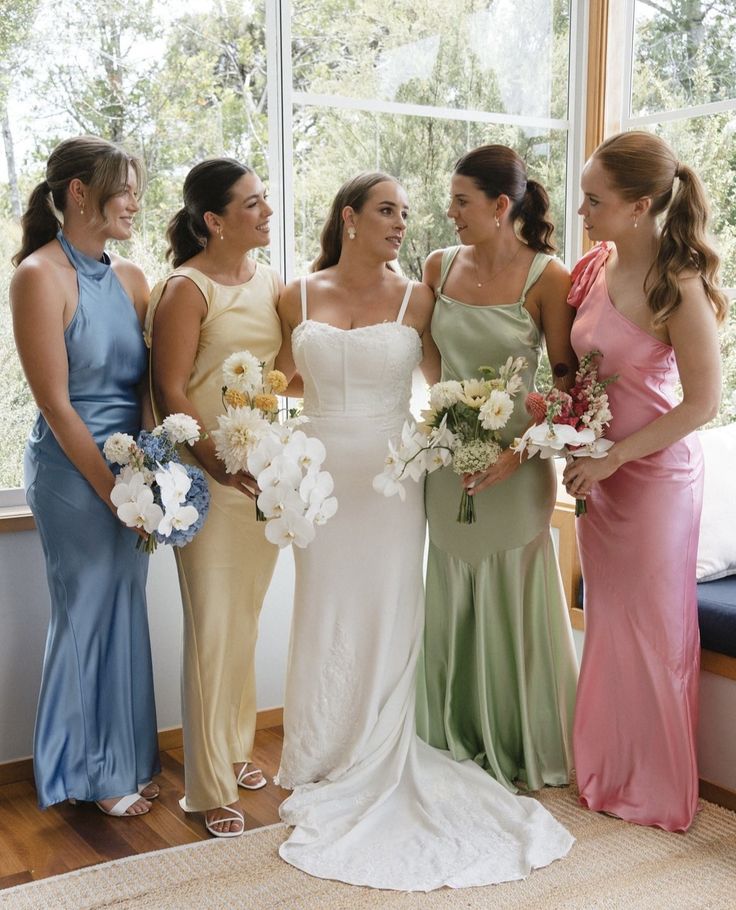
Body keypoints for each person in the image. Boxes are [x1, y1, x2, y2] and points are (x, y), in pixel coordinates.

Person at [274, 171, 574, 891]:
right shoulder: (296, 294)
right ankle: (319, 751)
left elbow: (439, 388)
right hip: (317, 481)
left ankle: (388, 739)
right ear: (348, 217)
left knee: (391, 607)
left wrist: (479, 437)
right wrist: (257, 430)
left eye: (408, 214)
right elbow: (277, 380)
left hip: (393, 480)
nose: (404, 224)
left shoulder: (420, 295)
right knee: (323, 609)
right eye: (387, 210)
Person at [562, 131, 728, 831]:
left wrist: (614, 456)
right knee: (611, 630)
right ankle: (605, 776)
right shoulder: (594, 266)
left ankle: (657, 792)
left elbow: (703, 403)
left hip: (655, 481)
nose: (582, 211)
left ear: (637, 207)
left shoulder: (677, 284)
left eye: (594, 200)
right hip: (601, 477)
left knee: (653, 634)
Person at [418, 145, 579, 793]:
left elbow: (567, 388)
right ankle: (451, 735)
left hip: (523, 465)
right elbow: (429, 359)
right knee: (452, 588)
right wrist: (452, 417)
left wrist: (513, 451)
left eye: (461, 201)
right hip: (449, 462)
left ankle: (521, 741)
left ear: (501, 206)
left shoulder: (550, 278)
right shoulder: (437, 266)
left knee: (514, 589)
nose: (450, 213)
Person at [11, 136, 159, 817]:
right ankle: (90, 771)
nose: (135, 202)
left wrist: (155, 479)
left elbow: (149, 387)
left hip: (132, 470)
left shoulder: (132, 277)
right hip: (74, 475)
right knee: (86, 612)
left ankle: (123, 758)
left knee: (125, 609)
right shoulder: (38, 276)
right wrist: (113, 492)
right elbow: (56, 405)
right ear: (79, 192)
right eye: (123, 188)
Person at [146, 159, 282, 838]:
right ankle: (204, 788)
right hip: (207, 482)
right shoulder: (185, 289)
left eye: (265, 200)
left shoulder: (271, 283)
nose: (266, 211)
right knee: (212, 631)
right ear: (214, 221)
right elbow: (172, 390)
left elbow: (282, 378)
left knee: (245, 623)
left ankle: (234, 749)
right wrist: (216, 463)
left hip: (261, 482)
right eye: (252, 204)